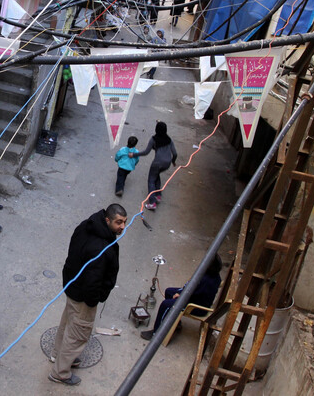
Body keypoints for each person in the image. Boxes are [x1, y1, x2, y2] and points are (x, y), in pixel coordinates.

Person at [49, 204, 127, 385]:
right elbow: (93, 281)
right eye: (118, 222)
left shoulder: (87, 225)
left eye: (124, 222)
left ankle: (57, 355)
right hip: (84, 297)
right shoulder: (101, 248)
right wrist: (93, 301)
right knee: (78, 333)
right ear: (107, 220)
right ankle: (60, 373)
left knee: (68, 322)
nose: (122, 226)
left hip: (72, 286)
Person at [140, 254, 223, 341]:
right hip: (196, 298)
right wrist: (181, 293)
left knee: (165, 304)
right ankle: (175, 322)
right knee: (169, 291)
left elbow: (190, 292)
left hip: (197, 307)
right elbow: (191, 288)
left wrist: (180, 295)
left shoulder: (205, 280)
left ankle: (156, 333)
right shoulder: (215, 276)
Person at [130, 121, 177, 210]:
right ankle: (158, 195)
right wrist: (173, 161)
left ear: (156, 130)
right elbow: (175, 153)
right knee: (156, 175)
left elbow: (146, 152)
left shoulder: (153, 139)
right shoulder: (169, 140)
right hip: (167, 163)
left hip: (157, 163)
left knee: (151, 180)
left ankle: (152, 203)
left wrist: (134, 154)